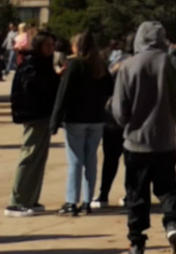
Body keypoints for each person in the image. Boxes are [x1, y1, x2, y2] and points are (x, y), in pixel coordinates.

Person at [111, 22, 176, 254]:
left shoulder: (128, 66)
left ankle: (137, 241)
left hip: (136, 142)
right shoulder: (174, 63)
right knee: (167, 188)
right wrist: (174, 116)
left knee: (136, 194)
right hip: (165, 141)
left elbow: (119, 111)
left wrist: (128, 122)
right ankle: (172, 223)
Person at [50, 31, 112, 216]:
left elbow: (64, 93)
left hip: (76, 118)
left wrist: (55, 119)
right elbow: (110, 88)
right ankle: (87, 200)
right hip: (97, 118)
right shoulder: (101, 66)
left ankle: (71, 201)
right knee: (90, 159)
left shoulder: (76, 65)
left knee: (75, 161)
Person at [6, 30, 58, 217]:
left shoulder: (43, 64)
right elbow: (29, 90)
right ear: (39, 46)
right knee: (29, 156)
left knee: (39, 159)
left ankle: (31, 198)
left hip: (43, 116)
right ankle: (16, 201)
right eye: (47, 45)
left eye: (53, 45)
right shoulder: (31, 65)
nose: (51, 49)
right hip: (34, 115)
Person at [94, 45, 128, 211]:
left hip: (112, 121)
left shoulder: (108, 73)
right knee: (130, 161)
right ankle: (130, 194)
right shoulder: (131, 70)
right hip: (128, 121)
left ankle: (103, 195)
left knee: (110, 160)